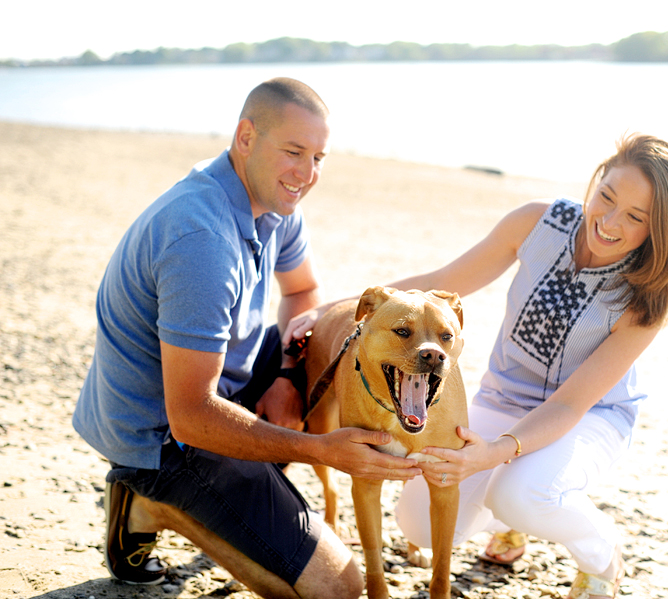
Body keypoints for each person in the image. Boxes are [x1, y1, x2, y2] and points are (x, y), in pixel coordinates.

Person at [289, 134, 668, 598]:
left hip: (589, 418)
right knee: (418, 525)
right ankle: (516, 512)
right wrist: (331, 308)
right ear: (597, 181)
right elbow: (441, 283)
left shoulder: (648, 296)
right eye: (606, 197)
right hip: (502, 397)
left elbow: (568, 406)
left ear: (659, 229)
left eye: (635, 217)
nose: (608, 222)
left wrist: (491, 454)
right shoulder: (538, 222)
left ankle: (603, 554)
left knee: (524, 494)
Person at [72, 78, 422, 599]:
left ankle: (230, 495)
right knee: (339, 590)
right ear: (245, 137)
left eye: (319, 157)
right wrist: (321, 451)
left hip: (208, 390)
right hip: (161, 436)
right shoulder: (202, 241)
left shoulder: (275, 203)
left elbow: (302, 291)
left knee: (315, 350)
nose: (307, 175)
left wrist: (285, 376)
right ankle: (151, 503)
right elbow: (191, 416)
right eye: (294, 152)